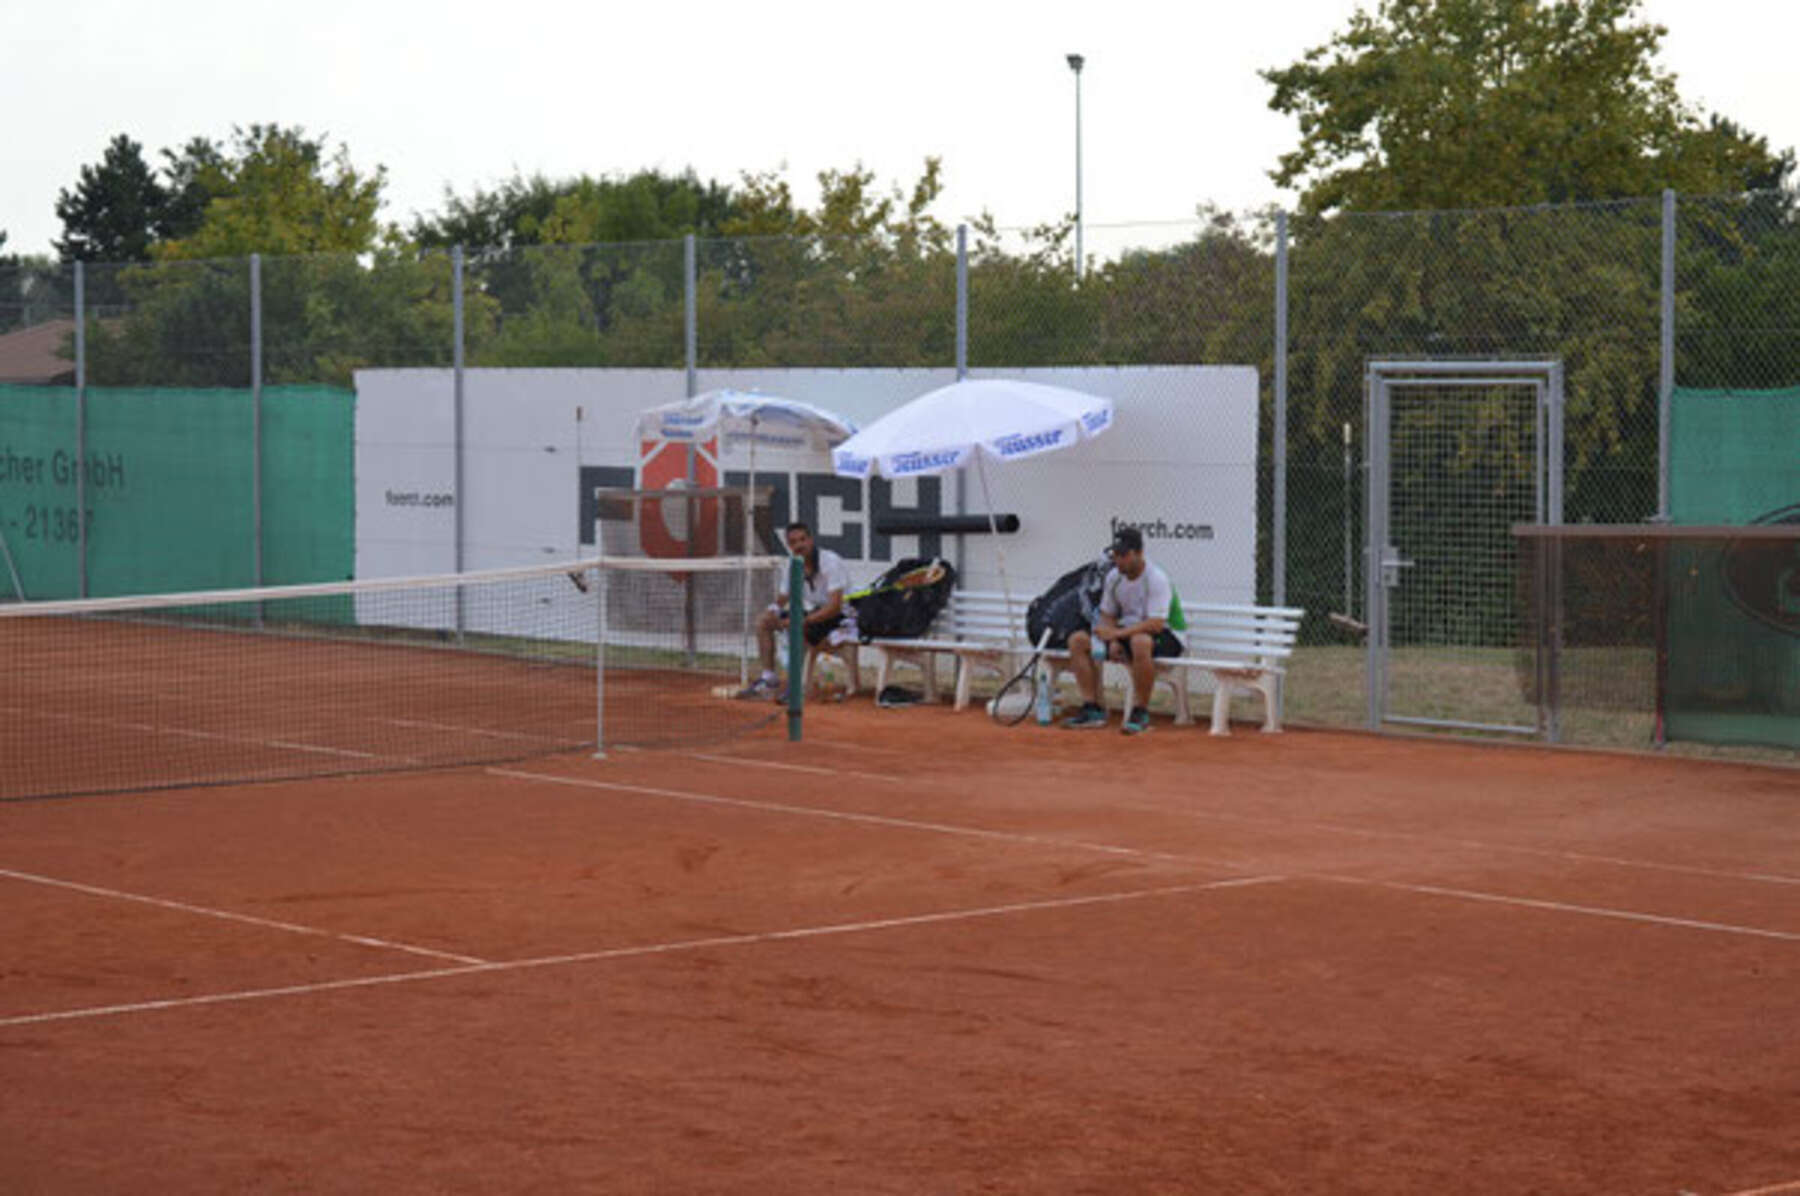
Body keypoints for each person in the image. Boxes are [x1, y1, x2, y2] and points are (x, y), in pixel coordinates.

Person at [1062, 526, 1184, 734]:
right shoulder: (1114, 577)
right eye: (1115, 555)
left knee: (1140, 642)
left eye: (1124, 555)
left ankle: (1141, 712)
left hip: (1168, 634)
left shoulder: (1156, 578)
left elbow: (1155, 624)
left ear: (1139, 553)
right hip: (1127, 632)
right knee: (1077, 641)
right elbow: (1107, 613)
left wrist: (1116, 635)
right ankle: (1092, 709)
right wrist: (1113, 641)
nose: (1118, 560)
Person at [736, 521, 857, 700]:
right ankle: (769, 679)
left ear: (811, 540)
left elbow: (835, 606)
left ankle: (796, 686)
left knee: (797, 628)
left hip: (841, 616)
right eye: (793, 542)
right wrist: (773, 610)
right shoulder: (793, 564)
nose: (799, 545)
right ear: (789, 546)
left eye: (803, 539)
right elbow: (784, 596)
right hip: (814, 613)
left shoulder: (830, 562)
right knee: (763, 622)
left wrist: (801, 621)